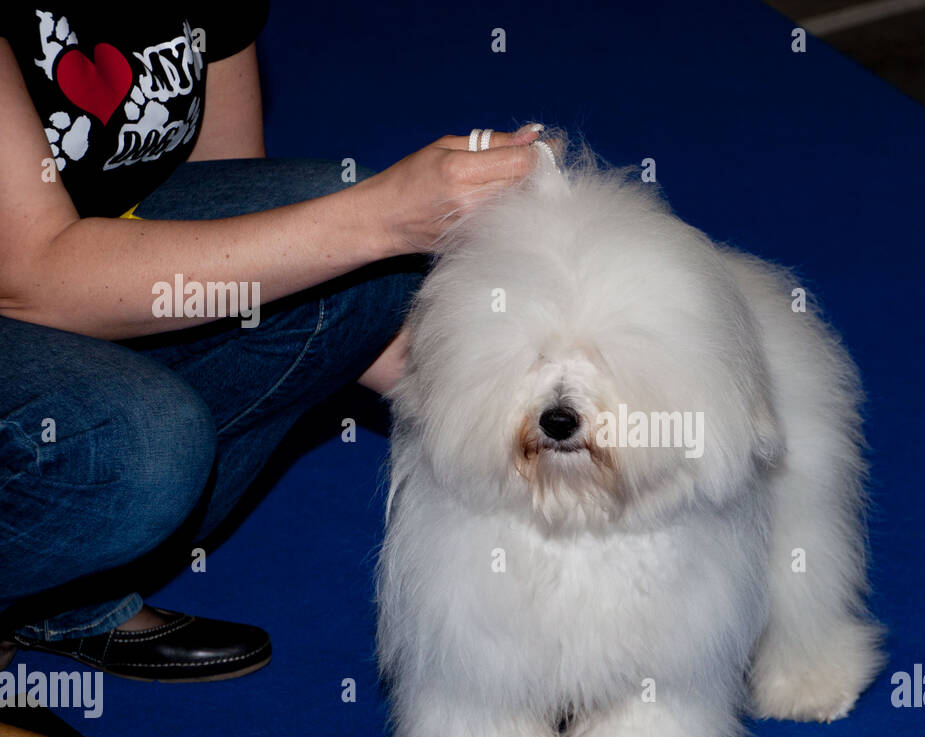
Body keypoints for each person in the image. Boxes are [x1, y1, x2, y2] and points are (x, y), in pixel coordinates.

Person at [0, 3, 541, 681]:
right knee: (142, 443)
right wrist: (382, 219)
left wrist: (477, 398)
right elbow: (32, 277)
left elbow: (244, 211)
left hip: (78, 280)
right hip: (32, 281)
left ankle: (64, 591)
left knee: (351, 260)